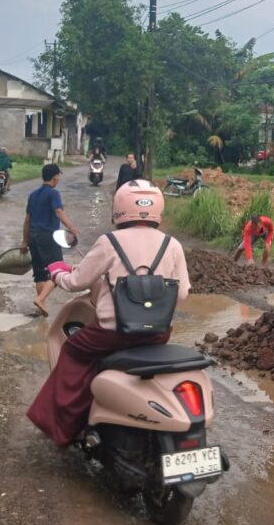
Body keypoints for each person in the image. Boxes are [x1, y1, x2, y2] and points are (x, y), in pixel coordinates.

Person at [27, 179, 190, 446]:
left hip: (110, 334)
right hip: (156, 335)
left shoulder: (110, 242)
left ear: (119, 207)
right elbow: (181, 294)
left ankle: (61, 425)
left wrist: (57, 272)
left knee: (73, 353)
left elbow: (76, 282)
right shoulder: (172, 245)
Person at [20, 164, 80, 305]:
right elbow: (58, 211)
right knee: (58, 270)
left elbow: (27, 219)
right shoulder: (54, 194)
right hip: (48, 237)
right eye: (58, 176)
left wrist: (25, 241)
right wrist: (72, 227)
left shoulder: (33, 195)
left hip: (34, 237)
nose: (59, 179)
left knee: (40, 274)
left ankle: (41, 304)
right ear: (55, 177)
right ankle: (40, 299)